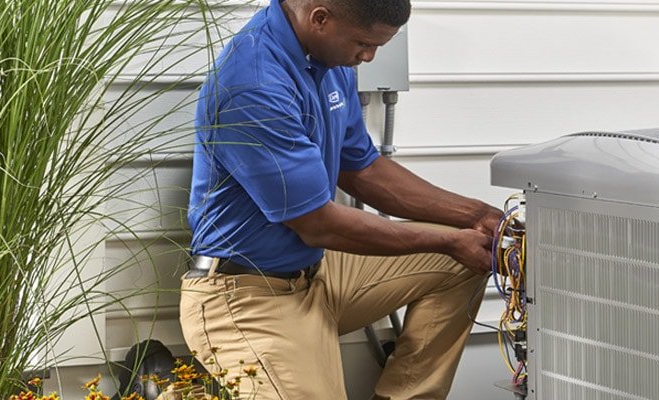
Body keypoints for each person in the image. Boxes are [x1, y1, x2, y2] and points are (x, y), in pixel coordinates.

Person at [176, 0, 501, 398]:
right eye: (364, 43)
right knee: (452, 246)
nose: (369, 57)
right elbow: (317, 224)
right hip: (247, 294)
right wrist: (449, 238)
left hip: (317, 274)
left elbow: (362, 169)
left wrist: (477, 215)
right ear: (320, 18)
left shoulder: (328, 61)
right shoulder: (255, 82)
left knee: (465, 259)